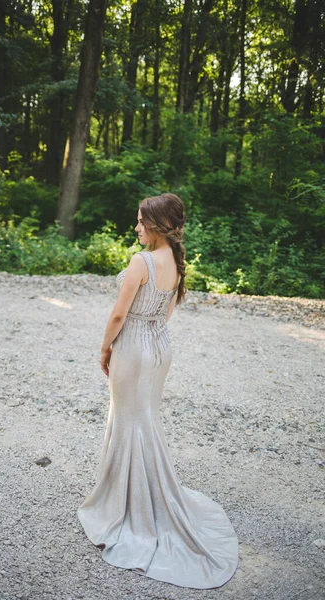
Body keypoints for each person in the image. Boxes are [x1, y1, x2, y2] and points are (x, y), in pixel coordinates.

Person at [77, 193, 239, 589]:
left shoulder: (142, 261)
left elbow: (119, 312)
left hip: (132, 347)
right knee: (144, 419)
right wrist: (148, 332)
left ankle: (129, 508)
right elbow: (165, 312)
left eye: (140, 222)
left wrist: (105, 349)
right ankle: (148, 496)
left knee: (128, 421)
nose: (135, 228)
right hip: (159, 346)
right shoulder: (175, 262)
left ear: (156, 224)